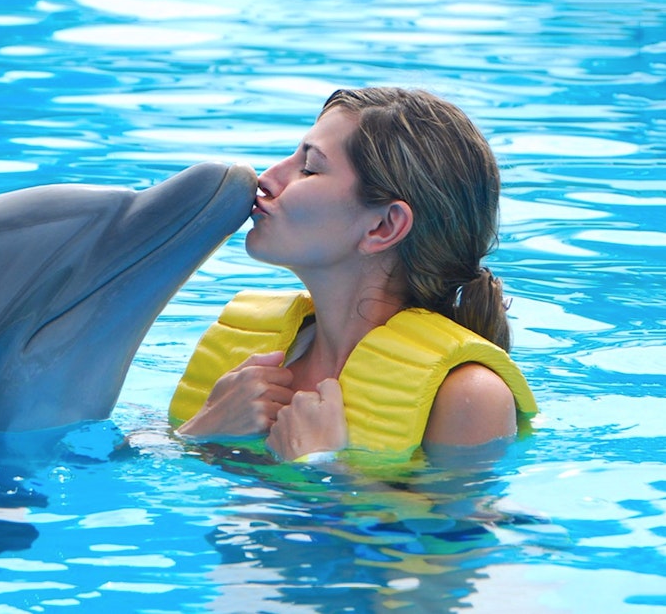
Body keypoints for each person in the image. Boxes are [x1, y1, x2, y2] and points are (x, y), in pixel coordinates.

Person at [169, 87, 537, 462]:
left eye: (310, 169)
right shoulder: (250, 361)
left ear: (383, 226)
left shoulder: (467, 395)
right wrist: (204, 428)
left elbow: (454, 522)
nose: (266, 178)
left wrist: (321, 466)